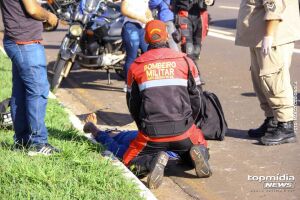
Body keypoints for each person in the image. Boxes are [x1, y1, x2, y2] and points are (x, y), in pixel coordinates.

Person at [125, 20, 211, 189]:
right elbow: (197, 98)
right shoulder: (185, 61)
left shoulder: (136, 66)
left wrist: (143, 127)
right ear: (167, 36)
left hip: (151, 134)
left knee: (128, 164)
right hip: (184, 130)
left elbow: (132, 104)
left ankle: (152, 162)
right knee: (199, 146)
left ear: (147, 39)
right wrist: (189, 123)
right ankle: (196, 155)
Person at [235, 0, 300, 145]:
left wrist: (268, 35)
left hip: (273, 37)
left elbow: (274, 6)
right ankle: (272, 121)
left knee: (274, 80)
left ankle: (286, 125)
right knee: (260, 81)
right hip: (258, 38)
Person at [1, 0, 60, 155]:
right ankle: (38, 143)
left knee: (20, 93)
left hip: (18, 40)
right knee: (38, 90)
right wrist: (49, 16)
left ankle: (22, 141)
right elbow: (32, 9)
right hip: (24, 43)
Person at [121, 0, 153, 92]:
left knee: (148, 54)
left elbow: (146, 9)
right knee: (132, 56)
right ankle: (128, 84)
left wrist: (150, 17)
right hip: (130, 26)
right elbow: (124, 10)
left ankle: (146, 81)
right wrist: (139, 17)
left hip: (142, 27)